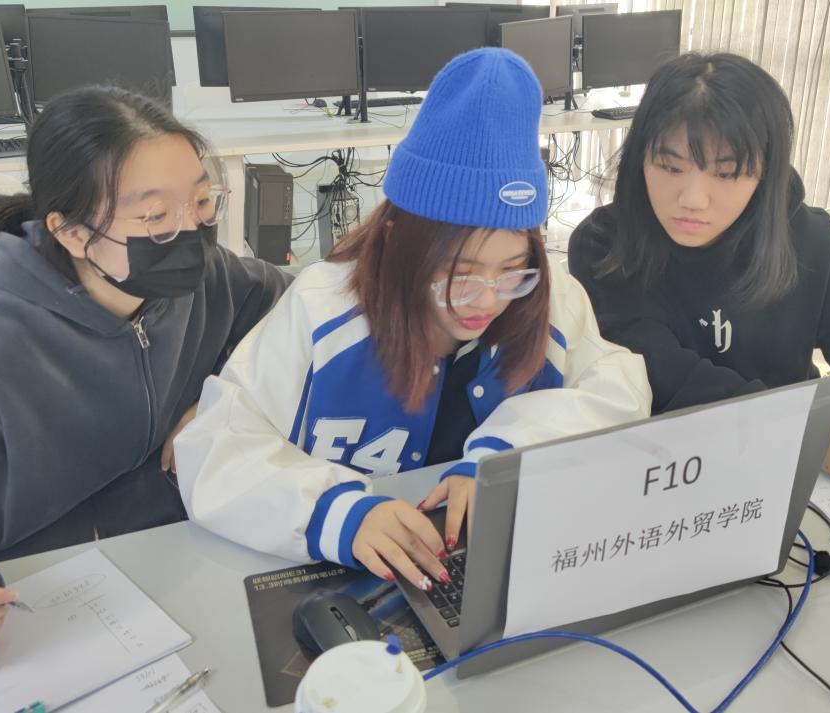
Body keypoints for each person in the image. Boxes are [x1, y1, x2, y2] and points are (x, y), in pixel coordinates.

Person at [176, 48, 651, 591]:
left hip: (493, 578)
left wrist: (507, 457)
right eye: (460, 274)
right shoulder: (322, 308)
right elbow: (215, 447)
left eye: (511, 271)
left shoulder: (551, 298)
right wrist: (334, 512)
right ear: (397, 241)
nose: (487, 301)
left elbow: (620, 391)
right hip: (334, 578)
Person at [0, 86, 289, 664]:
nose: (190, 232)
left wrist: (222, 399)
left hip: (177, 555)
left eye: (202, 202)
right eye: (155, 216)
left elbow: (304, 314)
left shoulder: (207, 278)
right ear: (72, 232)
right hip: (34, 595)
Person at [568, 52, 830, 490]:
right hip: (662, 478)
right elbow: (662, 378)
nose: (692, 199)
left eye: (726, 174)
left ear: (765, 173)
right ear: (640, 158)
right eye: (670, 167)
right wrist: (805, 436)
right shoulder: (605, 247)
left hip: (792, 488)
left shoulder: (805, 238)